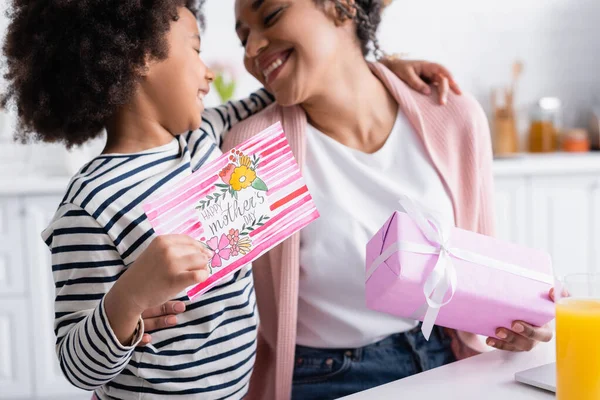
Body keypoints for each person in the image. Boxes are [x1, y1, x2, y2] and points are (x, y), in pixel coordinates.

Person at [1, 0, 460, 398]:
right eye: (196, 50)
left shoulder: (207, 136)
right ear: (139, 56)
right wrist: (129, 297)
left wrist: (387, 68)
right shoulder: (90, 203)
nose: (210, 71)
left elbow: (305, 81)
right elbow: (77, 366)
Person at [222, 1, 555, 399]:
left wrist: (514, 324)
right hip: (324, 378)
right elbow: (214, 303)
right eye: (243, 37)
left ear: (341, 6)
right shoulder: (252, 154)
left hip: (446, 359)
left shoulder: (452, 115)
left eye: (271, 16)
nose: (252, 48)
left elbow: (481, 270)